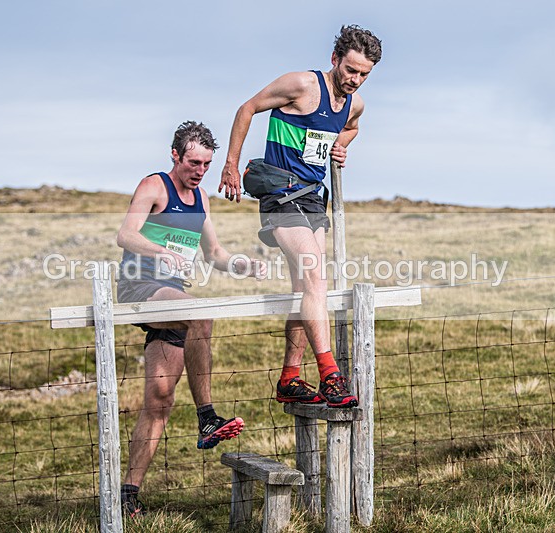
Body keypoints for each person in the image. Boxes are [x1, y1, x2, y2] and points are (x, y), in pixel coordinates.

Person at [218, 25, 382, 408]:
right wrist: (230, 164)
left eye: (364, 75)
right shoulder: (302, 85)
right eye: (350, 70)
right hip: (279, 194)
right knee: (315, 277)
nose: (355, 80)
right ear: (334, 60)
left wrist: (341, 143)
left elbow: (353, 127)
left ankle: (290, 378)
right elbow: (247, 108)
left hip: (312, 200)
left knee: (305, 290)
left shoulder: (354, 104)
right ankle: (331, 376)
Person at [116, 121, 266, 517]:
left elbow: (215, 253)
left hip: (173, 300)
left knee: (159, 401)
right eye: (193, 162)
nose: (199, 171)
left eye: (206, 164)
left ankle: (127, 495)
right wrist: (158, 252)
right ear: (175, 156)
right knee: (202, 316)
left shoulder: (201, 198)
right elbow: (126, 235)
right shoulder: (154, 186)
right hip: (140, 287)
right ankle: (207, 418)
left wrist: (244, 265)